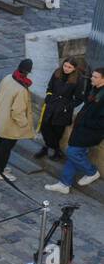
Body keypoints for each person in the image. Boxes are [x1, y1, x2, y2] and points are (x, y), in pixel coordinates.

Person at [44, 67, 104, 195]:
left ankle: (92, 172)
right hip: (82, 129)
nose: (91, 78)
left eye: (95, 77)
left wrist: (84, 122)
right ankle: (65, 184)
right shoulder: (95, 88)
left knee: (72, 152)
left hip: (90, 131)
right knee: (73, 156)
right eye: (92, 76)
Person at [0, 59, 36, 183]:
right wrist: (24, 123)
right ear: (28, 72)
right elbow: (17, 111)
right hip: (11, 124)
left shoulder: (8, 77)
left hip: (2, 117)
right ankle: (0, 171)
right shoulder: (21, 89)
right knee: (6, 147)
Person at [37, 59, 86, 161]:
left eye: (69, 67)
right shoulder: (57, 73)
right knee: (45, 127)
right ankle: (56, 149)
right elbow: (50, 87)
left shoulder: (78, 79)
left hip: (63, 109)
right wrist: (48, 97)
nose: (66, 69)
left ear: (74, 68)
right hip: (51, 105)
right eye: (65, 66)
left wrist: (67, 107)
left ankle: (49, 149)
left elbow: (79, 99)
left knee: (57, 131)